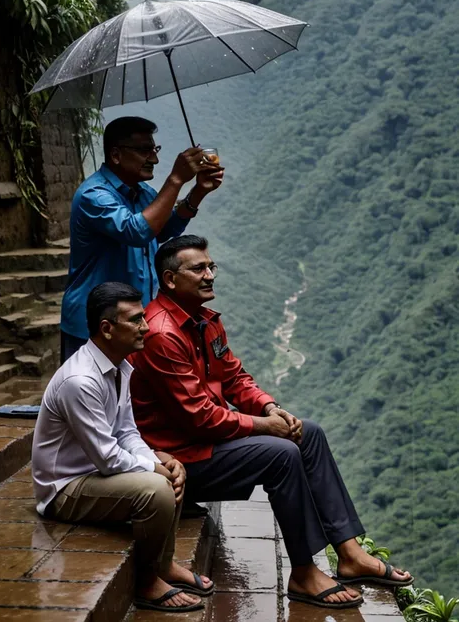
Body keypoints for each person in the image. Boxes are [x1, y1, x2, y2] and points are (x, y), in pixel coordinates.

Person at [129, 235, 414, 610]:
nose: (210, 274)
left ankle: (349, 552)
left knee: (308, 432)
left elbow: (234, 377)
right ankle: (302, 572)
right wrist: (265, 428)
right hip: (182, 459)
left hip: (207, 444)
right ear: (169, 280)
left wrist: (269, 408)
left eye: (211, 266)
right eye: (199, 268)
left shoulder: (205, 321)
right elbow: (199, 417)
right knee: (280, 454)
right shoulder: (162, 334)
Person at [32, 281, 214, 613]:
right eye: (135, 320)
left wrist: (157, 459)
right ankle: (147, 583)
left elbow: (127, 432)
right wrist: (153, 468)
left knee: (171, 468)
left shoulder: (121, 367)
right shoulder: (81, 382)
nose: (146, 326)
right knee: (155, 488)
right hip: (64, 488)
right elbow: (106, 456)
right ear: (107, 328)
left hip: (95, 473)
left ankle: (166, 564)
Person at [60, 116, 224, 363]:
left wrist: (199, 192)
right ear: (116, 155)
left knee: (130, 396)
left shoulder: (142, 193)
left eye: (154, 149)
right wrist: (176, 179)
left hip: (133, 320)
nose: (154, 159)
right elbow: (136, 231)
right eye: (144, 150)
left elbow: (163, 230)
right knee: (89, 396)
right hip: (95, 325)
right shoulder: (94, 195)